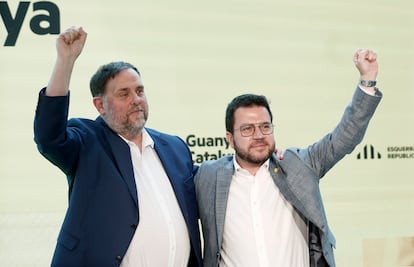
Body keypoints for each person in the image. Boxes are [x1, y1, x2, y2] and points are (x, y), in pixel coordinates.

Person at [194, 48, 382, 267]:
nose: (258, 136)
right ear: (229, 138)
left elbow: (343, 138)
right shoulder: (207, 176)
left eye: (265, 126)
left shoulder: (296, 165)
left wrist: (367, 81)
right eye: (247, 129)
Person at [34, 26, 202, 266]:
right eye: (124, 94)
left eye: (140, 91)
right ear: (100, 106)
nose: (136, 99)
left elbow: (207, 185)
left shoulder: (175, 147)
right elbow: (48, 137)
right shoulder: (87, 141)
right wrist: (66, 61)